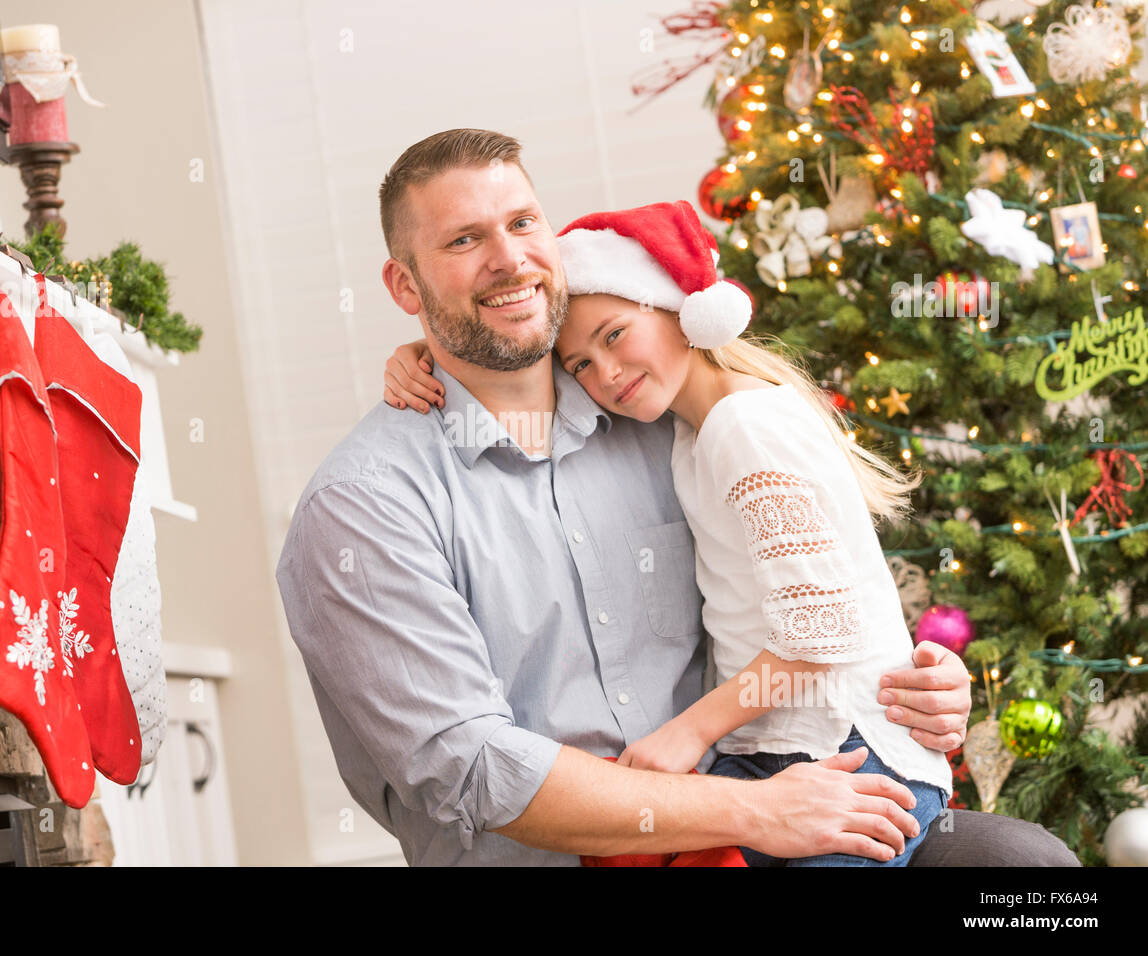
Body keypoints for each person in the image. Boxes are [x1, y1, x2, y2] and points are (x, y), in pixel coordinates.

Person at [278, 128, 1078, 866]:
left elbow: (813, 589)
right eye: (462, 240)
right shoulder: (364, 508)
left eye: (523, 224)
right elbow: (477, 769)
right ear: (404, 285)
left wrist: (914, 676)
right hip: (632, 838)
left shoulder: (657, 416)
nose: (508, 258)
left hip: (776, 783)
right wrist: (746, 811)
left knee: (1026, 875)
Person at [393, 199, 953, 866]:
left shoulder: (742, 426)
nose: (605, 376)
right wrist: (424, 350)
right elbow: (507, 360)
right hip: (777, 754)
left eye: (614, 335)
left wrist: (688, 733)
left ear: (675, 308)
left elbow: (819, 635)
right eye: (580, 367)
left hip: (845, 750)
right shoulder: (688, 431)